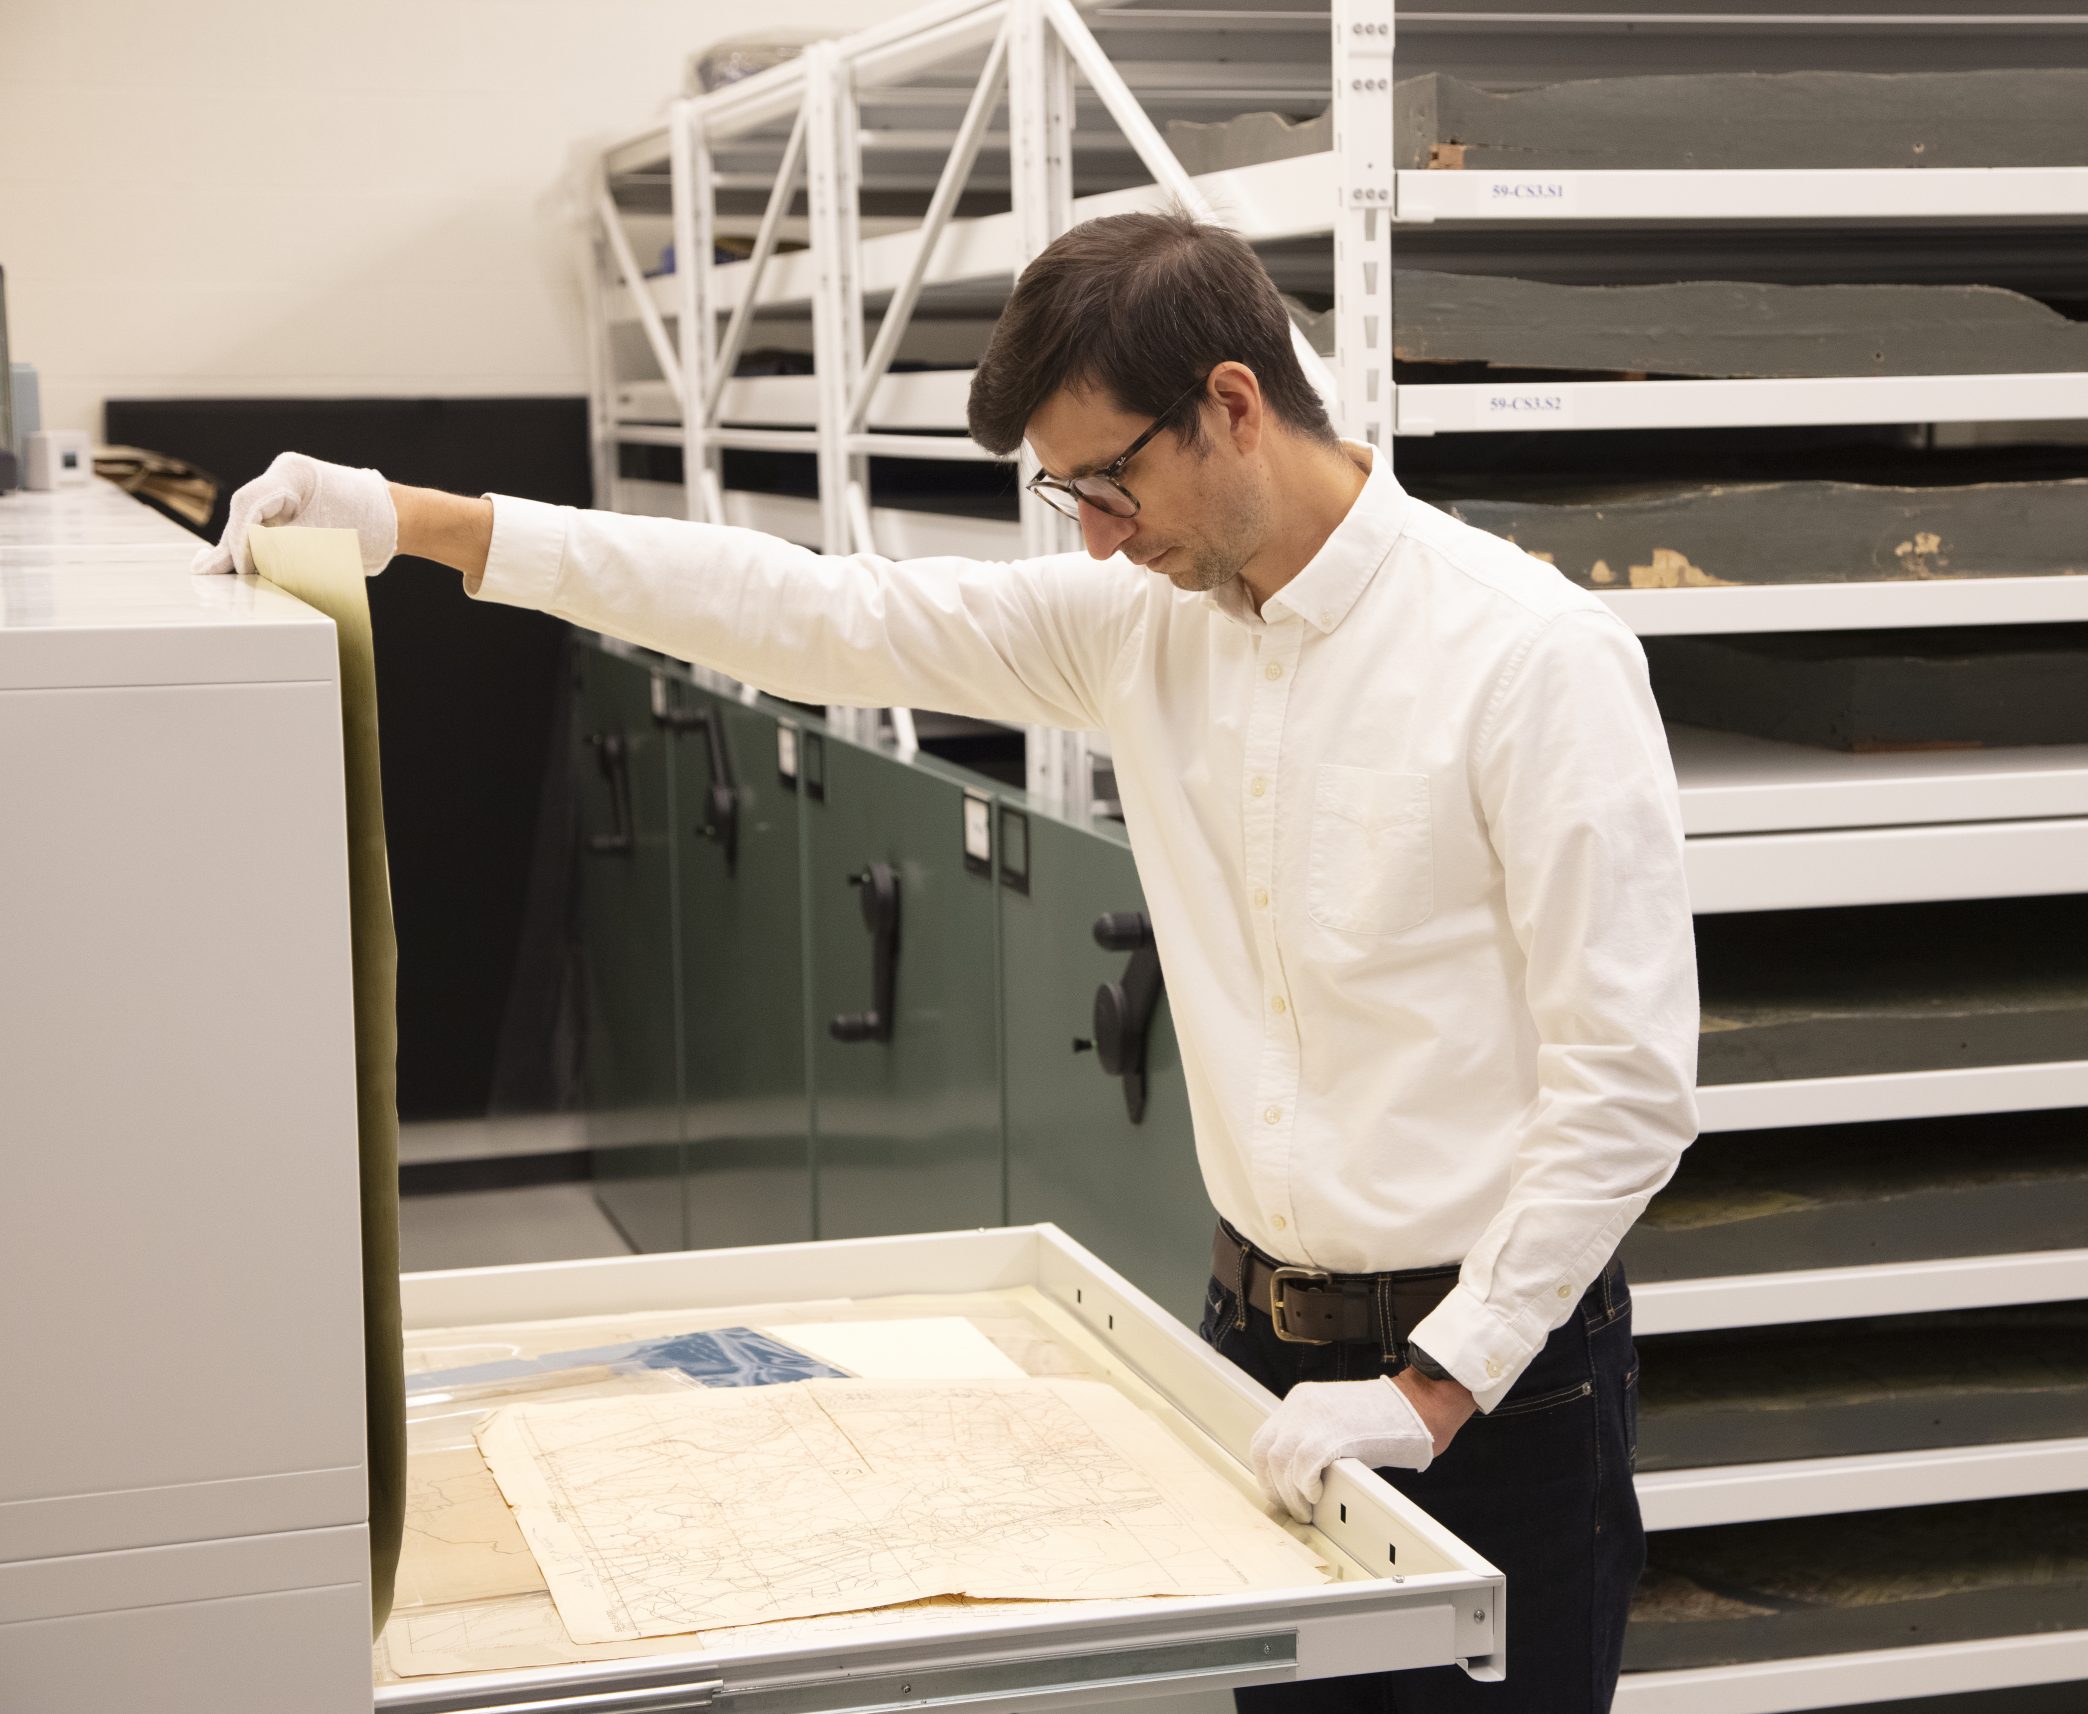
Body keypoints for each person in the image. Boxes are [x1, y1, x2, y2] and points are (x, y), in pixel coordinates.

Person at [197, 209, 1696, 1711]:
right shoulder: (1147, 628)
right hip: (1256, 1346)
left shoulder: (1528, 659)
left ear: (1233, 405)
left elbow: (1626, 1087)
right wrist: (421, 521)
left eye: (1110, 478)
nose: (1098, 531)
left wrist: (1433, 1386)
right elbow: (813, 609)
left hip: (1502, 1387)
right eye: (1069, 493)